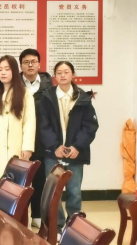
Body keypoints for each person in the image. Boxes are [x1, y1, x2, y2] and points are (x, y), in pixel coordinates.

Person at [39, 61, 98, 232]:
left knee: (74, 191)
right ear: (54, 76)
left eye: (66, 72)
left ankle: (73, 226)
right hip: (53, 153)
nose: (63, 75)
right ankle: (56, 225)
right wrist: (55, 146)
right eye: (59, 72)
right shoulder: (47, 97)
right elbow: (43, 125)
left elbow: (90, 126)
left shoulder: (84, 98)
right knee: (54, 192)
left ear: (73, 75)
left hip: (75, 154)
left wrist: (77, 147)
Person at [0, 55, 35, 201]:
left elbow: (29, 122)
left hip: (14, 146)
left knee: (13, 187)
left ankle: (14, 214)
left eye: (7, 69)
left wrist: (27, 147)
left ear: (14, 71)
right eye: (0, 69)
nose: (3, 72)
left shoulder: (24, 94)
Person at [19, 48, 53, 228]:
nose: (30, 65)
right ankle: (20, 214)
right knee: (21, 178)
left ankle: (37, 215)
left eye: (33, 61)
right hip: (20, 138)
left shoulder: (49, 86)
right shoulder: (15, 84)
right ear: (21, 65)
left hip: (41, 138)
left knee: (40, 178)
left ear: (39, 64)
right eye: (26, 62)